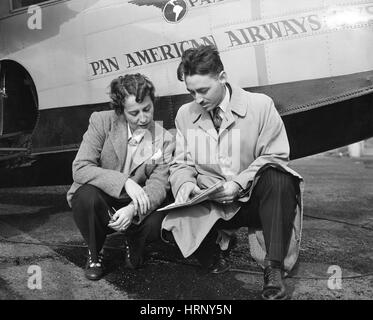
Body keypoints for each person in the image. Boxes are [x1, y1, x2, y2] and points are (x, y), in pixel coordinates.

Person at [161, 45, 303, 300]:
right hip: (213, 204)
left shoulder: (260, 105)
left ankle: (274, 270)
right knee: (159, 221)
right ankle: (212, 252)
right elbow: (180, 164)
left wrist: (237, 185)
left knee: (280, 178)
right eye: (191, 92)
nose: (197, 99)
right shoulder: (185, 114)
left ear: (222, 77)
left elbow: (276, 156)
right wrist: (185, 186)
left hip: (253, 201)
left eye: (203, 90)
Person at [66, 73, 175, 281]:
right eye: (134, 113)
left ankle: (134, 240)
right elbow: (80, 168)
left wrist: (133, 209)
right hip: (104, 195)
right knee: (85, 196)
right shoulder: (101, 121)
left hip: (134, 202)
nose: (143, 118)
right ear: (121, 111)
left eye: (147, 109)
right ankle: (94, 251)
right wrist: (124, 182)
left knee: (160, 214)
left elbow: (159, 185)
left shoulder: (164, 138)